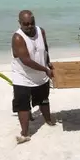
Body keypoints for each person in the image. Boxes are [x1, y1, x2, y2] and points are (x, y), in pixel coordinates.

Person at [11, 10, 54, 144]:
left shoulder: (41, 31)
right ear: (20, 23)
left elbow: (45, 49)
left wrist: (48, 63)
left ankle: (48, 120)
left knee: (44, 99)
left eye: (31, 23)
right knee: (23, 104)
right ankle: (24, 134)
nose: (29, 26)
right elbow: (26, 60)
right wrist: (45, 69)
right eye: (25, 24)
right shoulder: (18, 38)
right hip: (22, 76)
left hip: (41, 74)